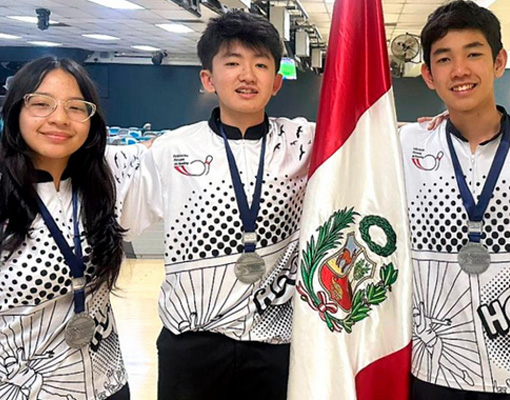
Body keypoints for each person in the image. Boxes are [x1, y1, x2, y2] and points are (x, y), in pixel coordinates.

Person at [120, 10, 314, 400]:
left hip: (276, 342)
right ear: (208, 79)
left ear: (276, 82)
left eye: (261, 64)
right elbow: (118, 211)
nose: (248, 75)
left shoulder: (304, 141)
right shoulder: (172, 149)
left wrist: (436, 123)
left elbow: (369, 135)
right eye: (233, 63)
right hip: (192, 345)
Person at [399, 1, 510, 399]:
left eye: (473, 54)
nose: (460, 70)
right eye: (444, 59)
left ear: (499, 62)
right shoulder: (406, 145)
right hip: (434, 365)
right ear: (428, 75)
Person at [0, 57, 144, 399]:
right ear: (15, 110)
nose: (60, 118)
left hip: (106, 385)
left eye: (76, 107)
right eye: (41, 103)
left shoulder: (106, 180)